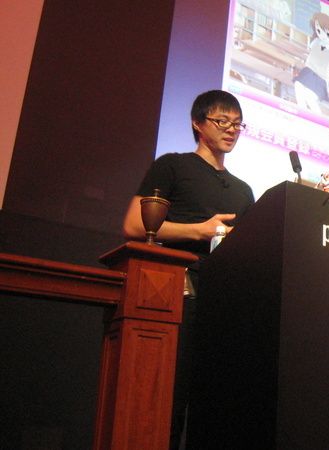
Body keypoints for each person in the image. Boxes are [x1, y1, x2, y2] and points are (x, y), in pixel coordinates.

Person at [122, 90, 255, 449]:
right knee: (169, 398)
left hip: (226, 302)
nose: (231, 129)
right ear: (198, 123)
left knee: (217, 404)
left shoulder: (243, 191)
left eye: (238, 124)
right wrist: (199, 231)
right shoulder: (173, 166)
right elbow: (134, 224)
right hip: (177, 293)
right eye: (222, 121)